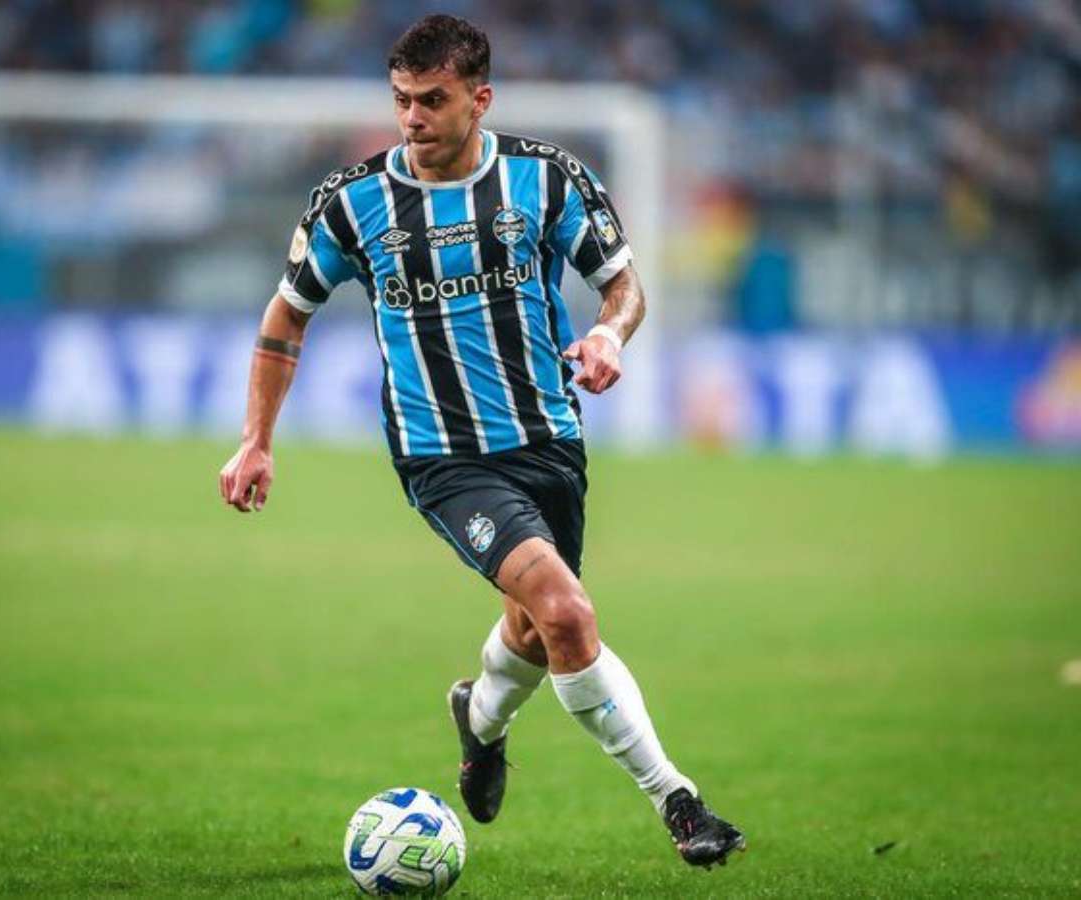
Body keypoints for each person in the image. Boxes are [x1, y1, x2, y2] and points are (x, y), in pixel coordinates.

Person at [218, 14, 745, 870]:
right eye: (401, 99)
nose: (412, 117)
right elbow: (287, 318)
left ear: (480, 99)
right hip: (443, 458)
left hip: (549, 442)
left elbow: (623, 285)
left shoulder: (546, 179)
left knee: (534, 632)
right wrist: (256, 441)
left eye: (433, 99)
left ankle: (480, 718)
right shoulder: (352, 202)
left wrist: (608, 334)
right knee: (567, 614)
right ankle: (680, 804)